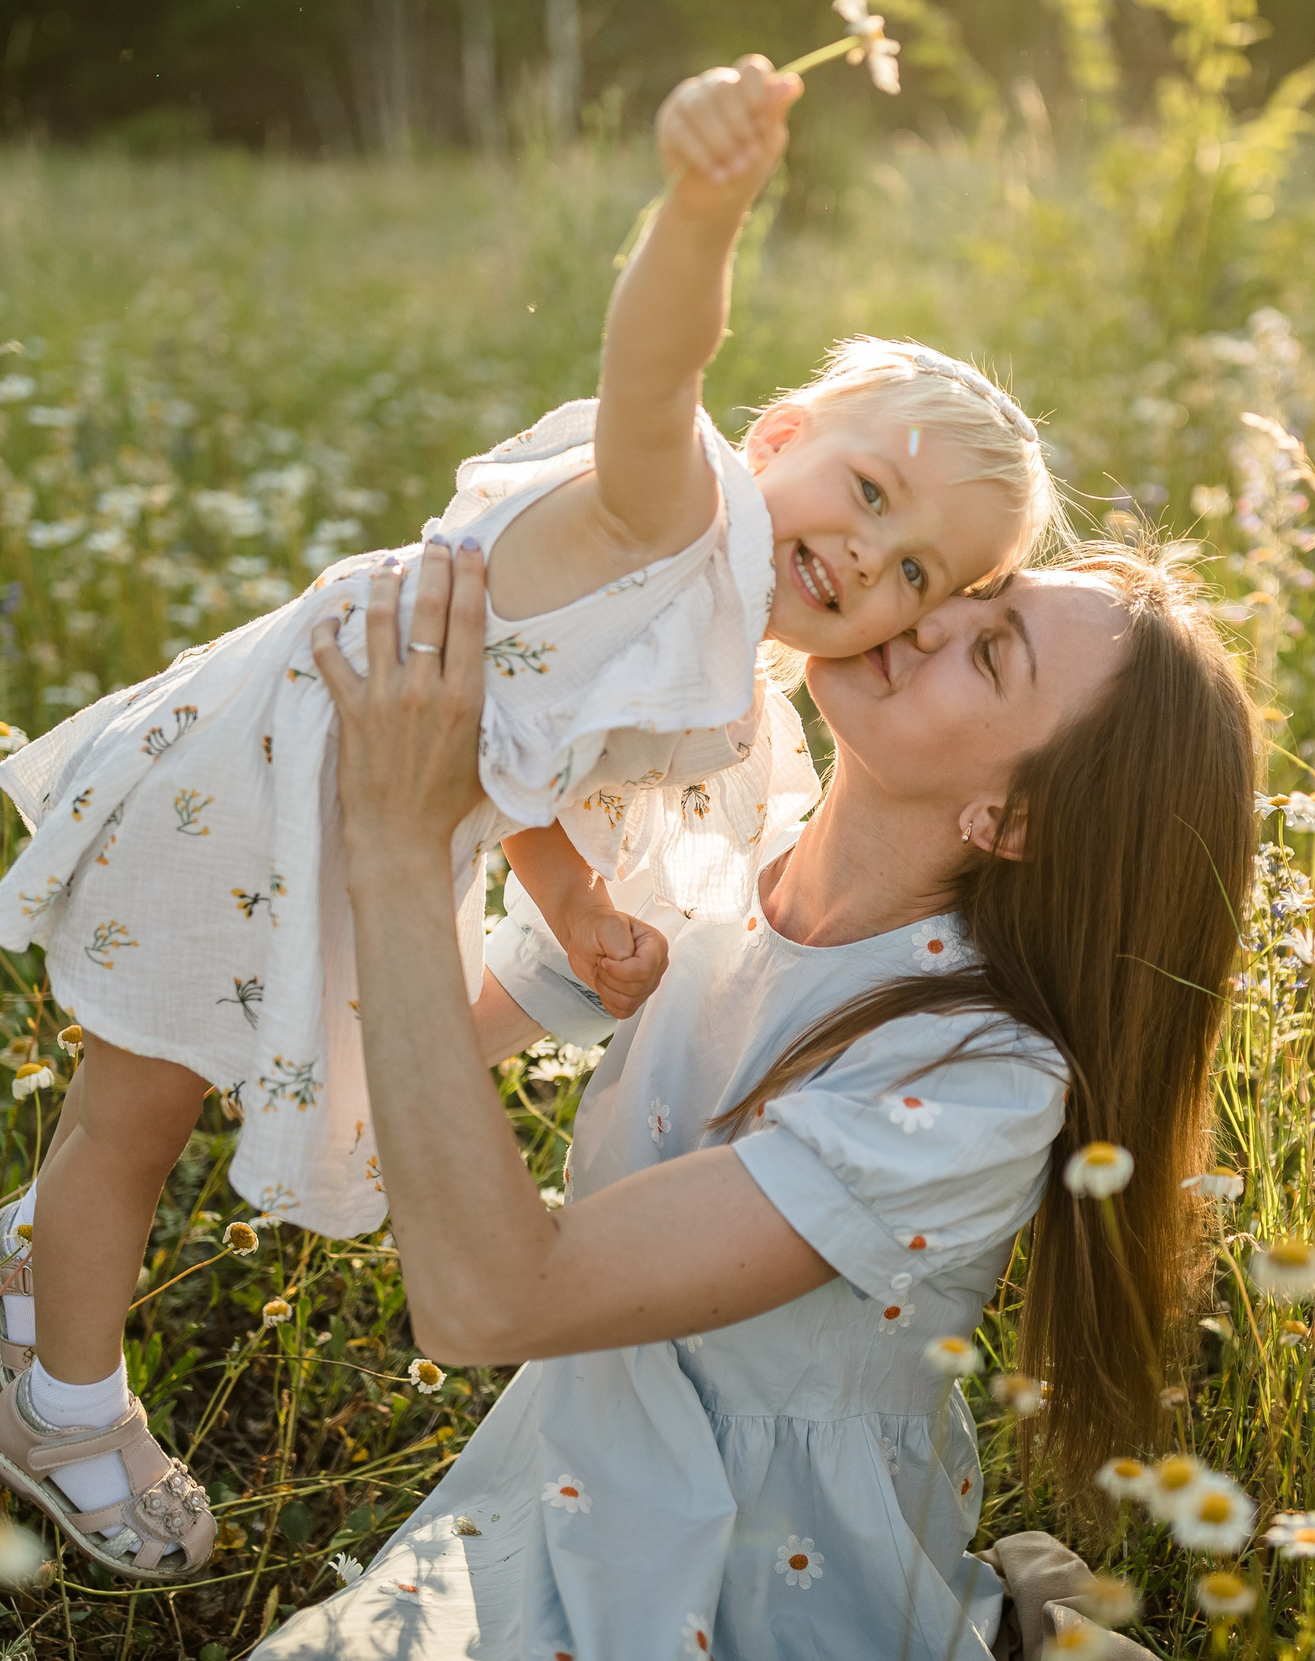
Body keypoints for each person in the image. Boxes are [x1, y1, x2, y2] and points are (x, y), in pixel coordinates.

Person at [0, 55, 1059, 1580]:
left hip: (362, 807)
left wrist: (564, 897)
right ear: (783, 432)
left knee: (210, 1077)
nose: (870, 561)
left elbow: (524, 748)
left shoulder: (725, 628)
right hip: (261, 785)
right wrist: (699, 214)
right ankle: (63, 1397)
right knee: (137, 1112)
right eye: (867, 490)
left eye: (921, 570)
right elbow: (659, 365)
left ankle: (34, 1260)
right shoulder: (680, 508)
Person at [249, 539, 1255, 1657]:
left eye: (989, 652)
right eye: (972, 597)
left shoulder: (972, 1077)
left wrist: (397, 841)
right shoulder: (702, 845)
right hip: (565, 1473)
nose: (923, 623)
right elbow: (356, 1055)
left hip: (759, 1582)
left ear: (1009, 822)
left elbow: (490, 1302)